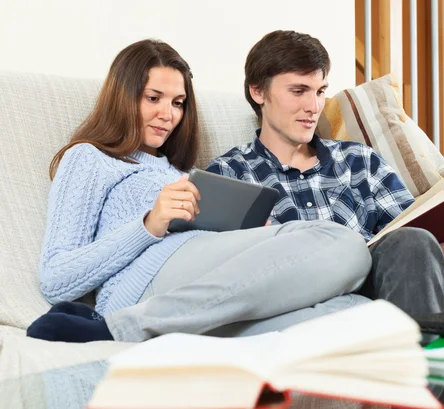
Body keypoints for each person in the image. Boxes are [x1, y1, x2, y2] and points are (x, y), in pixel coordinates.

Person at [26, 39, 373, 343]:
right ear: (123, 96)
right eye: (153, 98)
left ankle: (168, 335)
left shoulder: (180, 173)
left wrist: (252, 239)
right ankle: (122, 329)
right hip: (143, 284)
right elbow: (56, 281)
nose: (167, 114)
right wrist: (149, 224)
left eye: (177, 103)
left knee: (360, 311)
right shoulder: (91, 157)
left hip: (201, 292)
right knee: (342, 243)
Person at [206, 30, 444, 317]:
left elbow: (411, 230)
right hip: (313, 294)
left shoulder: (359, 160)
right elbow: (227, 269)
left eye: (320, 91)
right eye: (298, 91)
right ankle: (426, 354)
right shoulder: (229, 174)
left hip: (393, 280)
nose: (313, 107)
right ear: (258, 92)